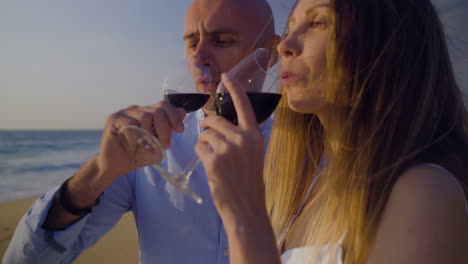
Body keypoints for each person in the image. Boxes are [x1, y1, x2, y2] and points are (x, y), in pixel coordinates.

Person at [3, 0, 280, 263]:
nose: (198, 59)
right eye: (192, 43)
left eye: (222, 41)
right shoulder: (148, 148)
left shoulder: (314, 153)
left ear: (271, 54)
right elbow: (24, 260)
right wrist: (99, 172)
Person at [195, 0, 468, 263]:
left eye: (317, 23)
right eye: (290, 29)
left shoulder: (425, 193)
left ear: (385, 42)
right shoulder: (308, 187)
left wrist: (245, 214)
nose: (284, 46)